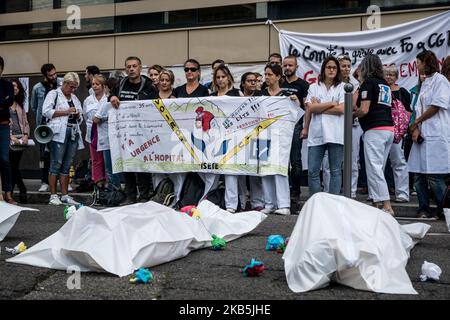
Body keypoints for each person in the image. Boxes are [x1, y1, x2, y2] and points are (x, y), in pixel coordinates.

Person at [408, 50, 450, 219]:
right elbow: (418, 108)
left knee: (434, 176)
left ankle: (445, 208)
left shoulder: (441, 81)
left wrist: (417, 121)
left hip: (436, 133)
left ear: (425, 62)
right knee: (418, 175)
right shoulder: (424, 82)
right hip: (422, 136)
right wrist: (415, 127)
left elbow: (436, 106)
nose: (416, 66)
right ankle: (423, 208)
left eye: (418, 62)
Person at [110, 56, 157, 205]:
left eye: (134, 66)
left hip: (143, 133)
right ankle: (130, 196)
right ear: (125, 69)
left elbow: (155, 107)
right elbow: (110, 98)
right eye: (128, 66)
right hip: (125, 131)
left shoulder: (149, 86)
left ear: (140, 68)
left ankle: (144, 196)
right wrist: (112, 97)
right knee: (127, 163)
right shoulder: (120, 84)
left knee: (142, 164)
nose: (131, 69)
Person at [354, 54, 395, 215]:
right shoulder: (384, 84)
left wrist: (352, 115)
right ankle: (377, 203)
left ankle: (387, 205)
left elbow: (364, 109)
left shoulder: (368, 83)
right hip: (388, 129)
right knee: (379, 167)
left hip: (375, 130)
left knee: (374, 168)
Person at [260, 63, 300, 215]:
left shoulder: (286, 96)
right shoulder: (261, 95)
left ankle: (284, 204)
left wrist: (295, 102)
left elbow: (295, 116)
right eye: (265, 75)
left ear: (278, 77)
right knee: (265, 169)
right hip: (263, 136)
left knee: (280, 168)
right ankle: (269, 203)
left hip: (281, 137)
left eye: (270, 74)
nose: (267, 77)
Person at [303, 56, 345, 196]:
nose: (331, 70)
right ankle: (316, 202)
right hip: (316, 133)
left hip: (336, 133)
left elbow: (342, 110)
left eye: (334, 67)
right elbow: (311, 109)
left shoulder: (343, 87)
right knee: (313, 171)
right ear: (323, 69)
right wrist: (332, 103)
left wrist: (318, 106)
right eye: (329, 67)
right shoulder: (313, 87)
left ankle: (333, 202)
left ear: (337, 70)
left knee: (335, 171)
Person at [42, 72, 84, 206]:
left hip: (73, 131)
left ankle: (65, 195)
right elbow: (46, 111)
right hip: (58, 132)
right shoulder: (53, 94)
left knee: (67, 164)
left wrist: (78, 115)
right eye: (71, 86)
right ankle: (53, 195)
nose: (73, 90)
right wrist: (66, 111)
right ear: (64, 83)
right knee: (56, 163)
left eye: (75, 87)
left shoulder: (74, 97)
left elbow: (80, 115)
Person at [281, 55, 309, 201]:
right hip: (278, 127)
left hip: (295, 126)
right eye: (285, 65)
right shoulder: (277, 83)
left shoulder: (303, 85)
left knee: (295, 160)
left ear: (296, 67)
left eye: (290, 65)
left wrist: (298, 102)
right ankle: (282, 189)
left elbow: (307, 107)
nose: (287, 68)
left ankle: (295, 191)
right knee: (280, 160)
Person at [384, 64, 411, 203]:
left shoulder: (403, 92)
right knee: (379, 164)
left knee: (399, 162)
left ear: (396, 77)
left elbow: (408, 112)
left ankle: (402, 193)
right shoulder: (381, 90)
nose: (388, 77)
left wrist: (402, 129)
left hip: (397, 133)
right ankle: (379, 194)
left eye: (391, 75)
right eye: (386, 74)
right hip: (382, 130)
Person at [31, 63, 59, 192]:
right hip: (43, 125)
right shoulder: (37, 88)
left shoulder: (61, 84)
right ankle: (44, 181)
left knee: (58, 153)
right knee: (43, 155)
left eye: (54, 73)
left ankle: (60, 180)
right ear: (45, 76)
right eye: (50, 75)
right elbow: (34, 107)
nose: (54, 77)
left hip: (59, 123)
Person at [239, 72, 264, 211]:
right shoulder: (235, 97)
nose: (253, 83)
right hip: (238, 139)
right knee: (241, 172)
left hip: (256, 137)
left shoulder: (261, 97)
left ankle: (257, 203)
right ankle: (241, 202)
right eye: (249, 81)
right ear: (243, 83)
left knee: (255, 172)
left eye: (255, 81)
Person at [92, 75, 121, 189]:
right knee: (115, 167)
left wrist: (104, 118)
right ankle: (116, 189)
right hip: (115, 139)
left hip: (109, 140)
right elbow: (96, 118)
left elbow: (95, 119)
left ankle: (115, 190)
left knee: (111, 167)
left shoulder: (107, 103)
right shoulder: (114, 102)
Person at [83, 74, 108, 189]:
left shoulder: (108, 98)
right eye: (93, 84)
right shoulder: (88, 100)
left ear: (103, 86)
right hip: (92, 133)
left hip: (106, 131)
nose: (95, 86)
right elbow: (85, 116)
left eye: (97, 84)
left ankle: (108, 181)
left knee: (107, 159)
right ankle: (98, 181)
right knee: (95, 159)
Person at [9, 79, 30, 203]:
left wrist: (26, 135)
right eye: (12, 86)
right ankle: (21, 190)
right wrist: (10, 136)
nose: (15, 88)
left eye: (17, 86)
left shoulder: (19, 104)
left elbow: (26, 122)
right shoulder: (3, 104)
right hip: (8, 139)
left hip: (21, 139)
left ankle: (14, 192)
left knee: (14, 166)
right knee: (11, 166)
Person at [0, 56, 16, 204]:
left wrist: (4, 102)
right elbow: (4, 101)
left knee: (4, 160)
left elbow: (9, 100)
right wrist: (2, 102)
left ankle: (8, 193)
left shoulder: (7, 84)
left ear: (2, 69)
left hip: (3, 125)